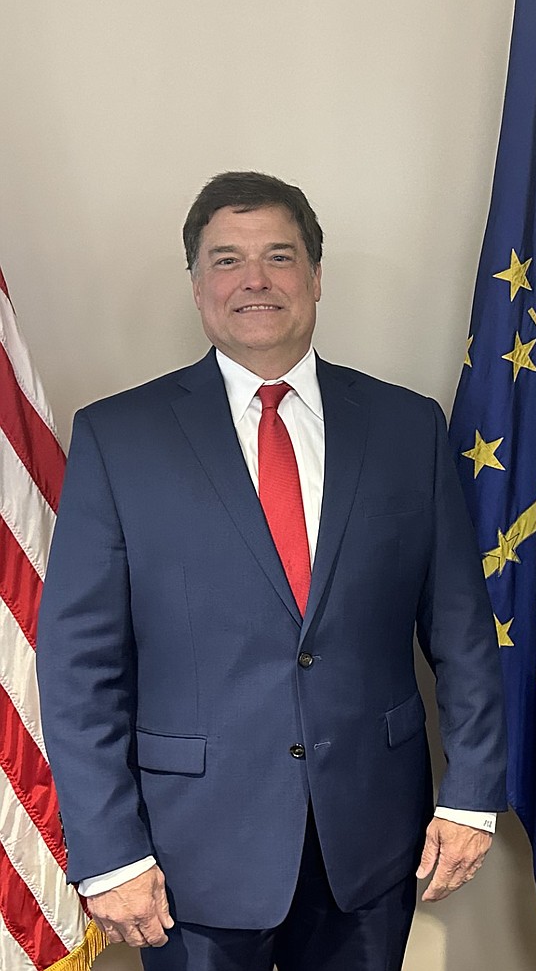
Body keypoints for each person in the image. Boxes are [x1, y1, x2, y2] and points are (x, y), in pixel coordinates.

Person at [36, 171, 507, 971]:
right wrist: (109, 851)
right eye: (226, 260)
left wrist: (472, 794)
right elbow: (80, 665)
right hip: (187, 855)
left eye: (279, 256)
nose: (254, 279)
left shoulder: (407, 427)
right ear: (196, 286)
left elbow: (463, 632)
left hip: (371, 842)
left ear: (316, 277)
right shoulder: (119, 438)